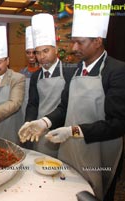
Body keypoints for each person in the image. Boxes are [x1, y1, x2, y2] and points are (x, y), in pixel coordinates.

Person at [18, 0, 125, 200]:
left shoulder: (117, 71)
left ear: (97, 41)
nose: (73, 47)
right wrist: (44, 122)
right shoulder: (79, 69)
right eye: (73, 41)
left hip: (101, 150)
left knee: (98, 194)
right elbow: (64, 107)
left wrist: (75, 130)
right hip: (73, 147)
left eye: (80, 42)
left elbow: (119, 123)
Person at [21, 14, 76, 156]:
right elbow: (33, 104)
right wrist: (29, 122)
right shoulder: (36, 76)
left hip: (63, 129)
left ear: (55, 49)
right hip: (40, 130)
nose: (41, 56)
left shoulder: (70, 72)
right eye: (38, 52)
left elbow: (68, 105)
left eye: (46, 51)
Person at [19, 26, 40, 129]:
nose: (31, 55)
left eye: (34, 52)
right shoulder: (22, 73)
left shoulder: (43, 73)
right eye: (28, 52)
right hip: (24, 114)